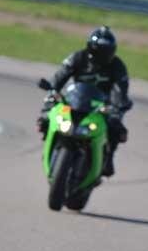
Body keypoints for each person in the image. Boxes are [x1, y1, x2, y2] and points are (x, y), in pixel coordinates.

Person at [36, 26, 132, 177]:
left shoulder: (117, 66)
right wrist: (53, 90)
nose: (102, 56)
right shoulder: (78, 57)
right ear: (90, 48)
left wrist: (118, 105)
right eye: (99, 51)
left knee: (116, 128)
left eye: (106, 52)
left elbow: (121, 89)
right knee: (48, 114)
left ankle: (108, 159)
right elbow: (60, 76)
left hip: (101, 107)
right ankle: (49, 142)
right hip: (75, 100)